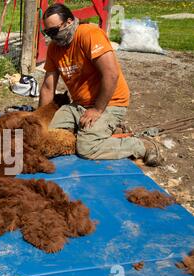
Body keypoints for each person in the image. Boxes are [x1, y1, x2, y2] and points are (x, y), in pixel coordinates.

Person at [38, 3, 161, 166]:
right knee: (43, 136)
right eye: (47, 32)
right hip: (79, 105)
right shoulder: (54, 48)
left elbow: (111, 74)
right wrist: (39, 118)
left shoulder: (89, 34)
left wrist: (97, 109)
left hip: (109, 103)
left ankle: (141, 145)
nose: (51, 37)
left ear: (68, 22)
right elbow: (48, 87)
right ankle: (100, 132)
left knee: (86, 148)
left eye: (54, 31)